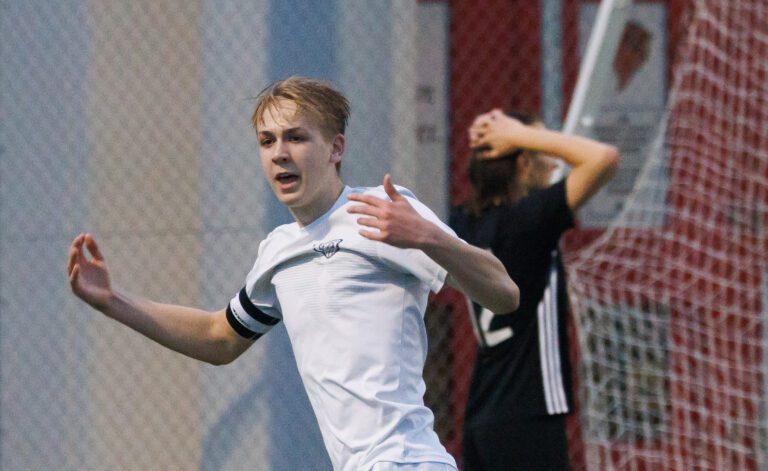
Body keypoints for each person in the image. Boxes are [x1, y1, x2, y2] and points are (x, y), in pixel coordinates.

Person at [67, 76, 519, 471]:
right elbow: (218, 337)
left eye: (296, 138)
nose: (280, 154)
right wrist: (113, 301)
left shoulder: (383, 211)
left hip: (407, 460)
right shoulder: (278, 252)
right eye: (267, 142)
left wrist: (429, 237)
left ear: (336, 148)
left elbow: (504, 293)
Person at [450, 109, 619, 470]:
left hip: (481, 417)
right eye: (540, 150)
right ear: (524, 163)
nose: (552, 160)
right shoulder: (529, 221)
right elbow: (603, 158)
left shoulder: (462, 222)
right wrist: (521, 134)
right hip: (528, 414)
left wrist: (493, 140)